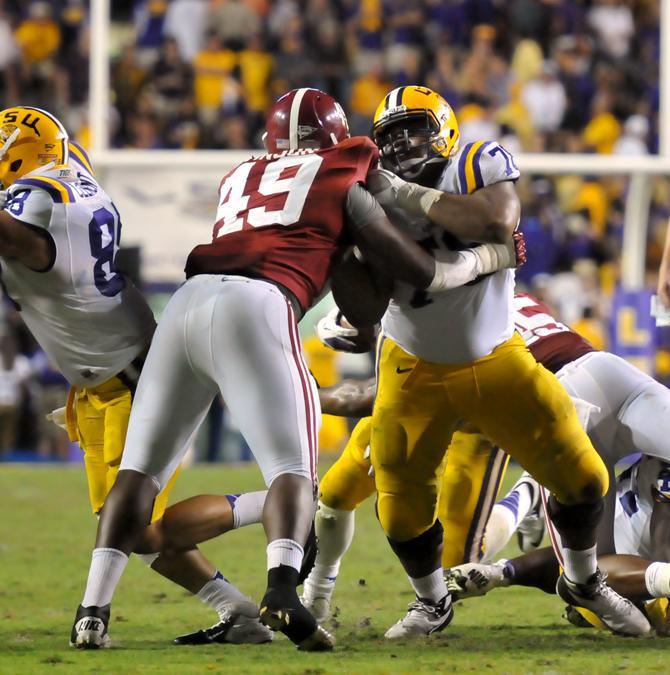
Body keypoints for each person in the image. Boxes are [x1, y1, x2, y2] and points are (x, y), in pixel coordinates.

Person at [70, 87, 521, 651]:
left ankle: (91, 614)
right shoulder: (343, 173)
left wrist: (348, 299)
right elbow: (419, 272)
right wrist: (488, 258)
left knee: (137, 473)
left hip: (187, 304)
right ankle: (283, 590)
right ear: (336, 138)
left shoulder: (240, 175)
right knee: (292, 472)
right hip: (257, 305)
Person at [356, 85, 648, 638]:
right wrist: (349, 309)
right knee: (398, 503)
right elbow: (363, 287)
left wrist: (398, 195)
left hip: (493, 355)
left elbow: (495, 220)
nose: (402, 144)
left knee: (583, 476)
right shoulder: (365, 194)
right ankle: (431, 601)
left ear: (443, 128)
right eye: (390, 136)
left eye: (413, 128)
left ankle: (585, 582)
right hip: (410, 362)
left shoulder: (475, 159)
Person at [0, 106, 270, 647]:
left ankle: (285, 500)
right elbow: (57, 151)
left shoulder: (36, 219)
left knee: (133, 526)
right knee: (139, 532)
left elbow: (19, 236)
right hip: (103, 376)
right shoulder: (63, 175)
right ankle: (239, 612)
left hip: (131, 374)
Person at [447, 455, 670, 636]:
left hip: (606, 559)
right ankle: (535, 486)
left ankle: (503, 571)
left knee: (580, 568)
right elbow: (664, 548)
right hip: (619, 572)